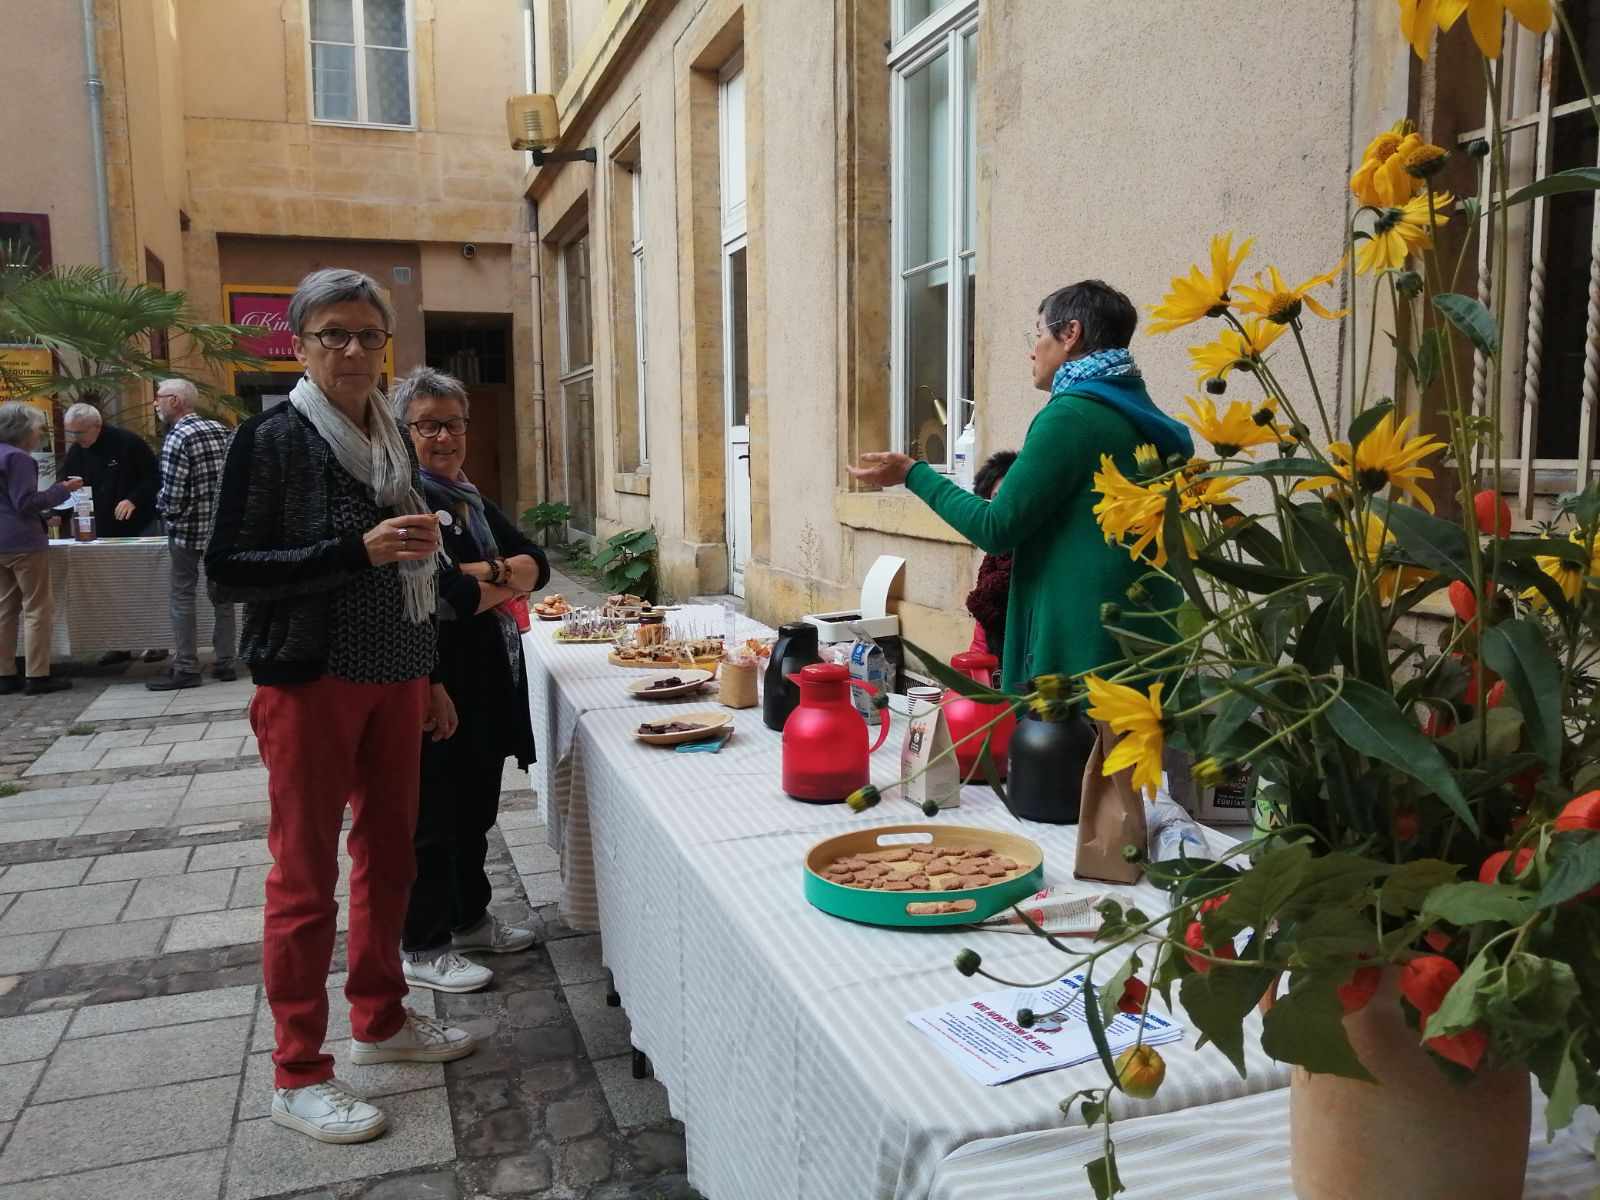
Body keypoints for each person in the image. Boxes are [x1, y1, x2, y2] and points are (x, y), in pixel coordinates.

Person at [206, 268, 475, 1145]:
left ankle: (381, 1021)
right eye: (334, 334)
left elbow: (420, 571)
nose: (354, 350)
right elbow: (229, 573)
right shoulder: (274, 438)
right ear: (299, 342)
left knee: (390, 858)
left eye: (368, 334)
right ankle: (297, 1071)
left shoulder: (393, 434)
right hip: (311, 682)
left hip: (396, 676)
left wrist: (427, 670)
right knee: (303, 879)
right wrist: (350, 552)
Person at [848, 279, 1193, 693]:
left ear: (1070, 334)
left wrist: (913, 474)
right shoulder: (1141, 417)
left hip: (1080, 661)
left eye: (1039, 333)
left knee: (1070, 759)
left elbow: (996, 527)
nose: (1033, 349)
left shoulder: (1072, 416)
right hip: (1141, 645)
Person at [390, 366, 548, 994]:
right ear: (405, 433)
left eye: (453, 424)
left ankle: (469, 918)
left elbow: (541, 563)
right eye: (427, 425)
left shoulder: (468, 498)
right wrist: (496, 577)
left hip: (484, 675)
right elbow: (444, 597)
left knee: (476, 808)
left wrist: (486, 572)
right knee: (433, 819)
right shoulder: (408, 500)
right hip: (437, 680)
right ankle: (422, 944)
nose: (444, 438)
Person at [148, 379, 237, 691]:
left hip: (187, 531)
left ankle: (186, 666)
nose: (155, 404)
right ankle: (226, 661)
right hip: (222, 532)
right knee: (222, 596)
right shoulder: (222, 430)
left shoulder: (178, 437)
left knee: (183, 595)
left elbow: (172, 494)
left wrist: (165, 512)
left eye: (158, 398)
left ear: (174, 401)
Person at [62, 400, 167, 666]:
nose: (75, 438)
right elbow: (67, 487)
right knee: (111, 590)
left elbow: (154, 478)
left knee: (144, 585)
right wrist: (59, 511)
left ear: (97, 426)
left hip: (138, 525)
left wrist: (133, 499)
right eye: (71, 433)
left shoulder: (128, 443)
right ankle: (119, 644)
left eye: (79, 433)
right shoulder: (76, 452)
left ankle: (158, 641)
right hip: (99, 530)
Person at [0, 402, 83, 695]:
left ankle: (5, 672)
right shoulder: (20, 459)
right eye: (37, 428)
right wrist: (63, 490)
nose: (39, 434)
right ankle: (38, 674)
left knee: (5, 609)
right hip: (23, 542)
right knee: (37, 608)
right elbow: (26, 502)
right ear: (22, 431)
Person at [965, 450, 1016, 669]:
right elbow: (980, 646)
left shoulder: (1044, 558)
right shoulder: (992, 568)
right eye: (995, 498)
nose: (1002, 507)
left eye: (1009, 495)